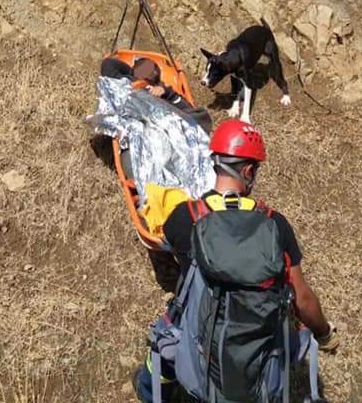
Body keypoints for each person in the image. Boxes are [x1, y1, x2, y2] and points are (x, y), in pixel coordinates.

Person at [134, 119, 340, 403]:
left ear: (216, 163)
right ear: (247, 171)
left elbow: (168, 246)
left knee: (168, 330)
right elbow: (303, 300)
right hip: (255, 370)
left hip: (196, 359)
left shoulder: (185, 217)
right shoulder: (275, 225)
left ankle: (150, 389)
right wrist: (324, 333)